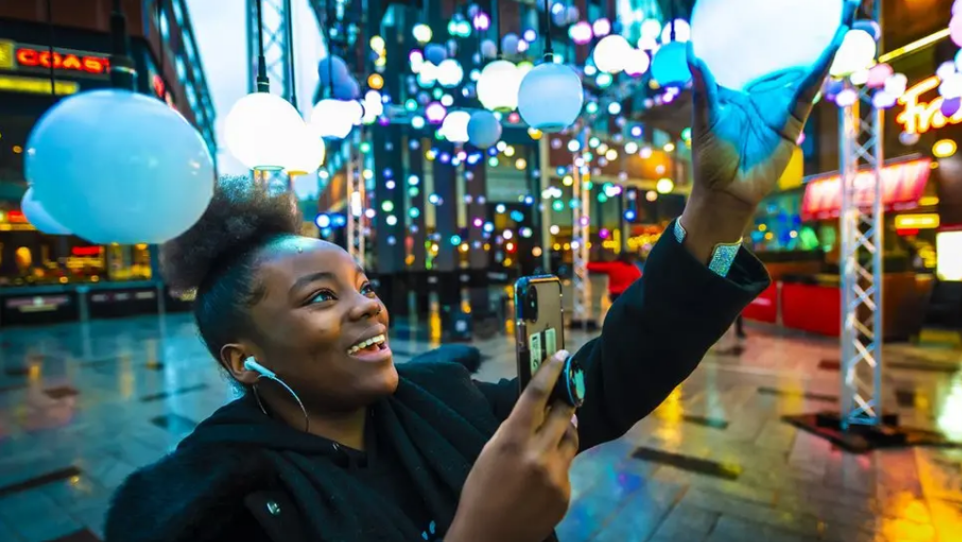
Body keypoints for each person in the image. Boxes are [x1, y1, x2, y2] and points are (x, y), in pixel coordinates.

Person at [104, 14, 851, 541]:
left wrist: (716, 214)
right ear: (243, 359)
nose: (369, 308)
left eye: (363, 285)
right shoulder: (209, 505)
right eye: (322, 298)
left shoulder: (444, 399)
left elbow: (611, 378)